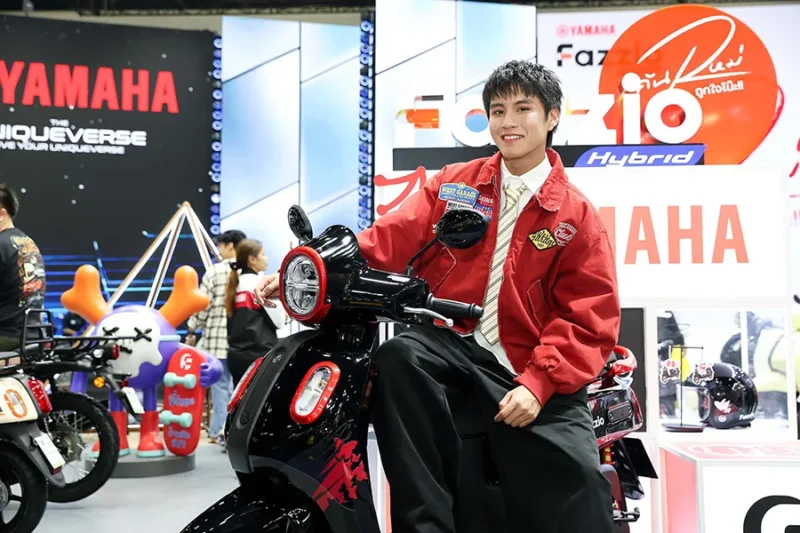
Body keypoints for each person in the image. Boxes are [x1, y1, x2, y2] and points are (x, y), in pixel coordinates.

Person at [255, 60, 620, 533]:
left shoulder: (576, 216)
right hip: (454, 344)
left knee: (580, 486)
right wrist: (310, 270)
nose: (508, 122)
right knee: (399, 355)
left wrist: (539, 383)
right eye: (497, 110)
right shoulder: (455, 185)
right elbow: (387, 238)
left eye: (523, 109)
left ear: (552, 116)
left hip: (531, 361)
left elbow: (588, 315)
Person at [187, 229, 247, 445]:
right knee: (238, 388)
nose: (219, 251)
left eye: (220, 246)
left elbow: (202, 306)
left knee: (220, 388)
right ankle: (221, 431)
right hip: (242, 341)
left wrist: (192, 328)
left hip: (216, 340)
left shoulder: (214, 272)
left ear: (230, 245)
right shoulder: (249, 272)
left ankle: (222, 434)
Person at [225, 239, 286, 385]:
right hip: (259, 357)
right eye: (263, 254)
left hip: (236, 357)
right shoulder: (260, 285)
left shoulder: (234, 285)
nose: (266, 258)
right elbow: (279, 321)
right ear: (252, 259)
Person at [0, 184, 46, 355]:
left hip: (7, 337)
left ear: (1, 214)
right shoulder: (27, 242)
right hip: (33, 334)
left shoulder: (1, 244)